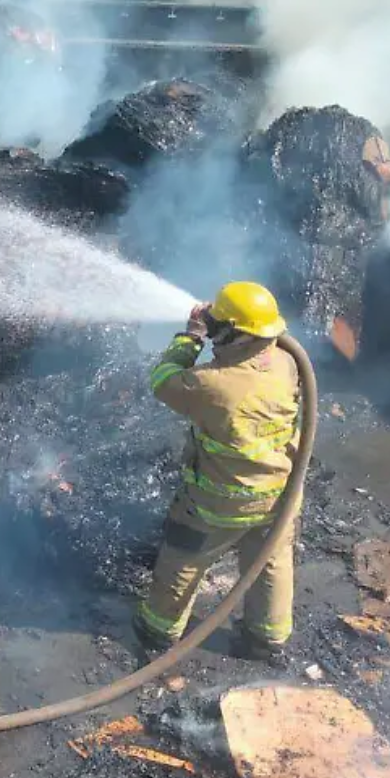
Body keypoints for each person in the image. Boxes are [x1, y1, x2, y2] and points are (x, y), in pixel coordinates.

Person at [134, 281, 301, 664]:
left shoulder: (210, 384)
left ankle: (157, 631)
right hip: (281, 492)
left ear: (233, 332)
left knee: (184, 556)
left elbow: (163, 380)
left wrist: (190, 338)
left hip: (220, 500)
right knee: (271, 562)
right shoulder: (287, 363)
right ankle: (267, 639)